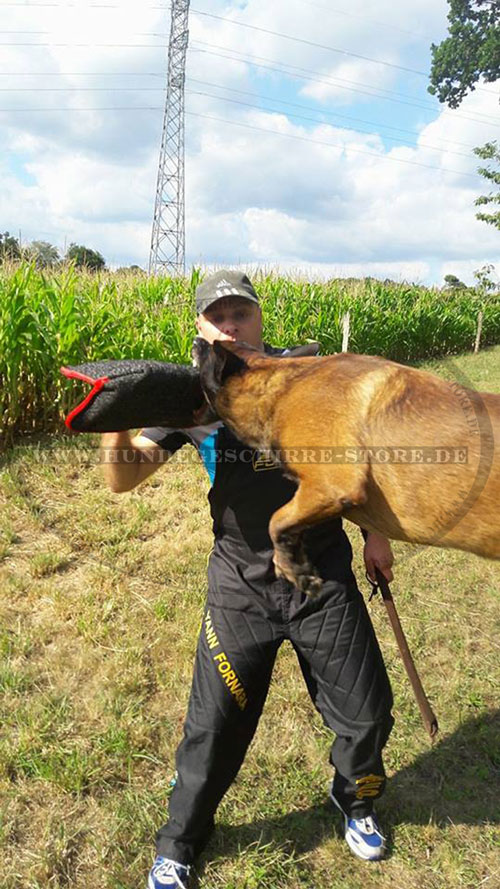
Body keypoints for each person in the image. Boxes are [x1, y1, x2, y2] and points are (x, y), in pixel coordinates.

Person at [101, 270, 395, 889]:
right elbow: (123, 480)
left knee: (367, 714)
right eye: (219, 317)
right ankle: (179, 845)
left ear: (261, 320)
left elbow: (358, 455)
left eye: (242, 314)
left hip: (320, 576)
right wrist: (115, 418)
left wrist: (376, 532)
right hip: (241, 584)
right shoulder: (188, 401)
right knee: (213, 728)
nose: (231, 326)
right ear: (201, 330)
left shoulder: (309, 376)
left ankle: (355, 798)